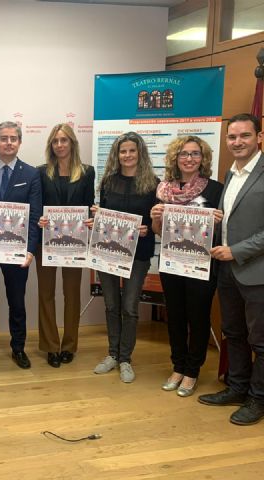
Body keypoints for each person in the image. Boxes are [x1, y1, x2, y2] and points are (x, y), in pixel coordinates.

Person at [199, 113, 264, 425]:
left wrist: (235, 251)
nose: (237, 142)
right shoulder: (231, 173)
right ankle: (237, 388)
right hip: (227, 271)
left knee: (260, 341)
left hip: (256, 272)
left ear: (259, 138)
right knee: (234, 332)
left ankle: (258, 399)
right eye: (232, 137)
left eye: (245, 136)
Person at [150, 136, 223, 397]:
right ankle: (178, 366)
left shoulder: (215, 189)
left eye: (195, 154)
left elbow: (222, 231)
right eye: (183, 154)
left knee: (198, 316)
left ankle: (192, 370)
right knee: (175, 316)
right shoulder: (164, 190)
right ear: (175, 158)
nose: (189, 159)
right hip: (172, 262)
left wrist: (218, 221)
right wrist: (155, 218)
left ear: (203, 158)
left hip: (201, 264)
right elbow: (159, 231)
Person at [89, 132, 158, 383]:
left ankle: (126, 358)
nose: (127, 155)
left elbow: (157, 222)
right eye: (123, 151)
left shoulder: (153, 184)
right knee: (111, 305)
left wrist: (148, 228)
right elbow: (105, 217)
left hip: (138, 254)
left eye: (132, 150)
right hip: (108, 252)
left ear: (140, 153)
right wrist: (97, 217)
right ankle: (112, 354)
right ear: (117, 155)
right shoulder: (108, 182)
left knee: (129, 307)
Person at [0, 121, 42, 369]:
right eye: (4, 138)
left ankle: (18, 348)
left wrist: (30, 250)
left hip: (17, 251)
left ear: (20, 142)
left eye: (13, 138)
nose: (9, 142)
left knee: (17, 302)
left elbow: (34, 216)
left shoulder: (31, 174)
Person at [36, 124, 94, 368]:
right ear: (51, 145)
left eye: (64, 140)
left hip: (74, 243)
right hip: (46, 242)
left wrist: (92, 218)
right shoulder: (41, 172)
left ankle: (69, 346)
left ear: (72, 143)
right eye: (55, 141)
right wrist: (39, 218)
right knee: (46, 294)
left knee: (71, 295)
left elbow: (89, 205)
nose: (59, 145)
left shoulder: (87, 172)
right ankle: (51, 346)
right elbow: (37, 205)